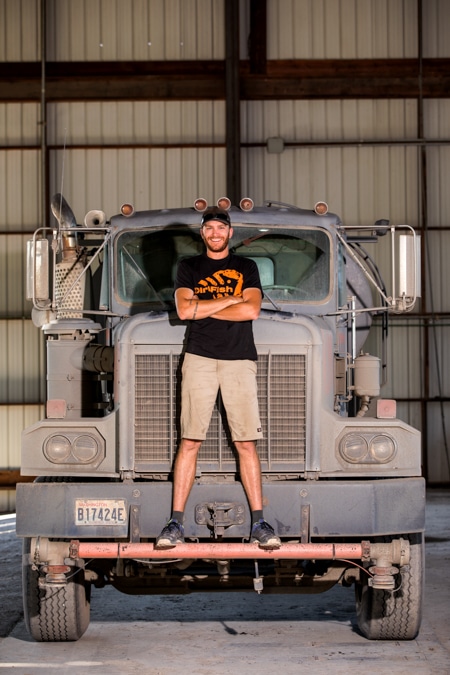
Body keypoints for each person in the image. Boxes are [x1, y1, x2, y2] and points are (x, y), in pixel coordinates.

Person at [155, 206, 281, 550]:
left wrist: (206, 304)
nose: (215, 233)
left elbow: (251, 309)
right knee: (190, 440)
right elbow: (184, 310)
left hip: (239, 360)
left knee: (246, 442)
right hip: (199, 358)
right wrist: (231, 298)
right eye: (209, 227)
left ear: (230, 232)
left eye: (220, 228)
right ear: (202, 233)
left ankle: (260, 522)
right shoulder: (189, 267)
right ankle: (175, 523)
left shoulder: (246, 267)